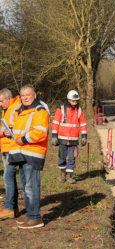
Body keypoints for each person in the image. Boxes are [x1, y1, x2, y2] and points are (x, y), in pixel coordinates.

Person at [8, 84, 50, 229]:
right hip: (22, 153)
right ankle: (31, 216)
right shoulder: (21, 111)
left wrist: (24, 139)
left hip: (32, 153)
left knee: (31, 187)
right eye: (23, 95)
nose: (25, 97)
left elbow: (40, 132)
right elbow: (19, 129)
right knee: (25, 187)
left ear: (35, 95)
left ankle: (35, 217)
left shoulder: (39, 110)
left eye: (28, 95)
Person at [51, 90, 87, 184]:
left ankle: (70, 177)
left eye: (76, 101)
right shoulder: (61, 109)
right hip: (62, 139)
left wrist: (84, 136)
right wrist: (54, 136)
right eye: (73, 101)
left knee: (72, 158)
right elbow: (55, 123)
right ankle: (62, 175)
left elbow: (83, 124)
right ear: (68, 100)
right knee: (62, 158)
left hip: (74, 140)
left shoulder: (79, 111)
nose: (75, 103)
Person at [0, 88, 21, 220]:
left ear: (8, 99)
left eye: (1, 101)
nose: (0, 104)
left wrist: (7, 132)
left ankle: (9, 207)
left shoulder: (15, 108)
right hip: (5, 147)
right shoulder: (6, 109)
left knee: (8, 177)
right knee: (10, 177)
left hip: (11, 147)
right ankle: (13, 207)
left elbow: (17, 126)